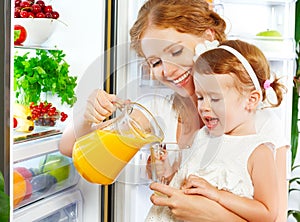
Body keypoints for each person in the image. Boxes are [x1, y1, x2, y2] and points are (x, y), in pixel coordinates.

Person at [59, 0, 290, 221]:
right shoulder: (159, 110)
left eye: (176, 52)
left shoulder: (260, 122)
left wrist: (212, 215)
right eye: (155, 62)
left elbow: (275, 217)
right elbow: (69, 147)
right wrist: (86, 114)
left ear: (208, 37)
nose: (167, 70)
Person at [146, 39, 286, 221]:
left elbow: (267, 213)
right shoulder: (202, 136)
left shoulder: (258, 152)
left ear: (251, 100)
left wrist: (218, 195)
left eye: (215, 98)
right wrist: (166, 171)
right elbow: (186, 180)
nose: (204, 107)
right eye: (200, 97)